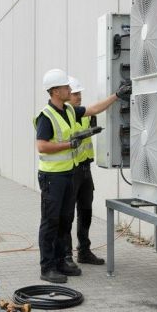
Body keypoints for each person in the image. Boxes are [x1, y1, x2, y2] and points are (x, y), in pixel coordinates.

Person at [34, 68, 131, 283]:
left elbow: (94, 108)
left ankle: (61, 262)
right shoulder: (46, 116)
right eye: (66, 87)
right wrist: (68, 144)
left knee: (65, 221)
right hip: (52, 178)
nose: (70, 89)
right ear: (56, 91)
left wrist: (116, 95)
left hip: (68, 174)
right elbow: (41, 146)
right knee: (51, 222)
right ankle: (47, 267)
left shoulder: (68, 111)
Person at [65, 76, 105, 265]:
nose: (78, 97)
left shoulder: (86, 114)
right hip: (70, 172)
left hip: (85, 170)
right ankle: (66, 255)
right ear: (66, 95)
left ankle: (84, 251)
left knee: (86, 211)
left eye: (80, 93)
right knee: (67, 215)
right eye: (75, 94)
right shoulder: (64, 115)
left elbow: (96, 108)